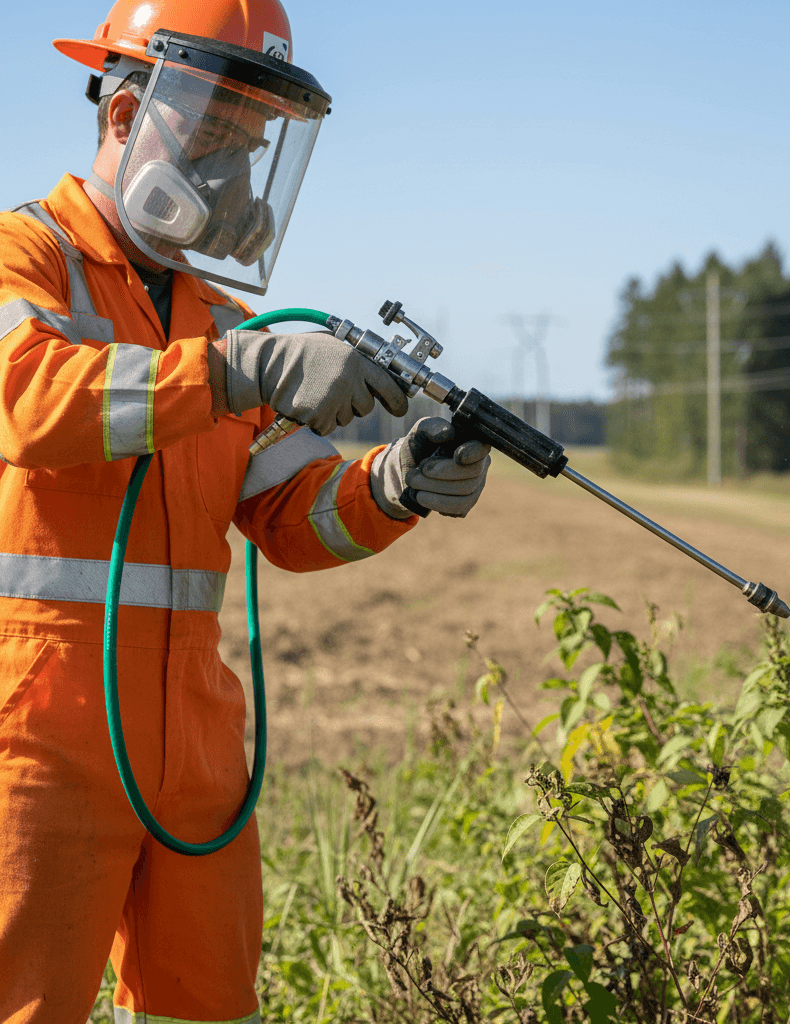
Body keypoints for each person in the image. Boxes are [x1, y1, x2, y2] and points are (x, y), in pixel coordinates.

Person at [0, 1, 490, 1021]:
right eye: (214, 137)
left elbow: (292, 516)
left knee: (205, 1008)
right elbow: (31, 403)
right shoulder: (25, 257)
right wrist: (234, 369)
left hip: (199, 745)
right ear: (127, 113)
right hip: (38, 733)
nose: (233, 178)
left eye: (252, 146)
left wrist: (394, 484)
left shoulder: (216, 319)